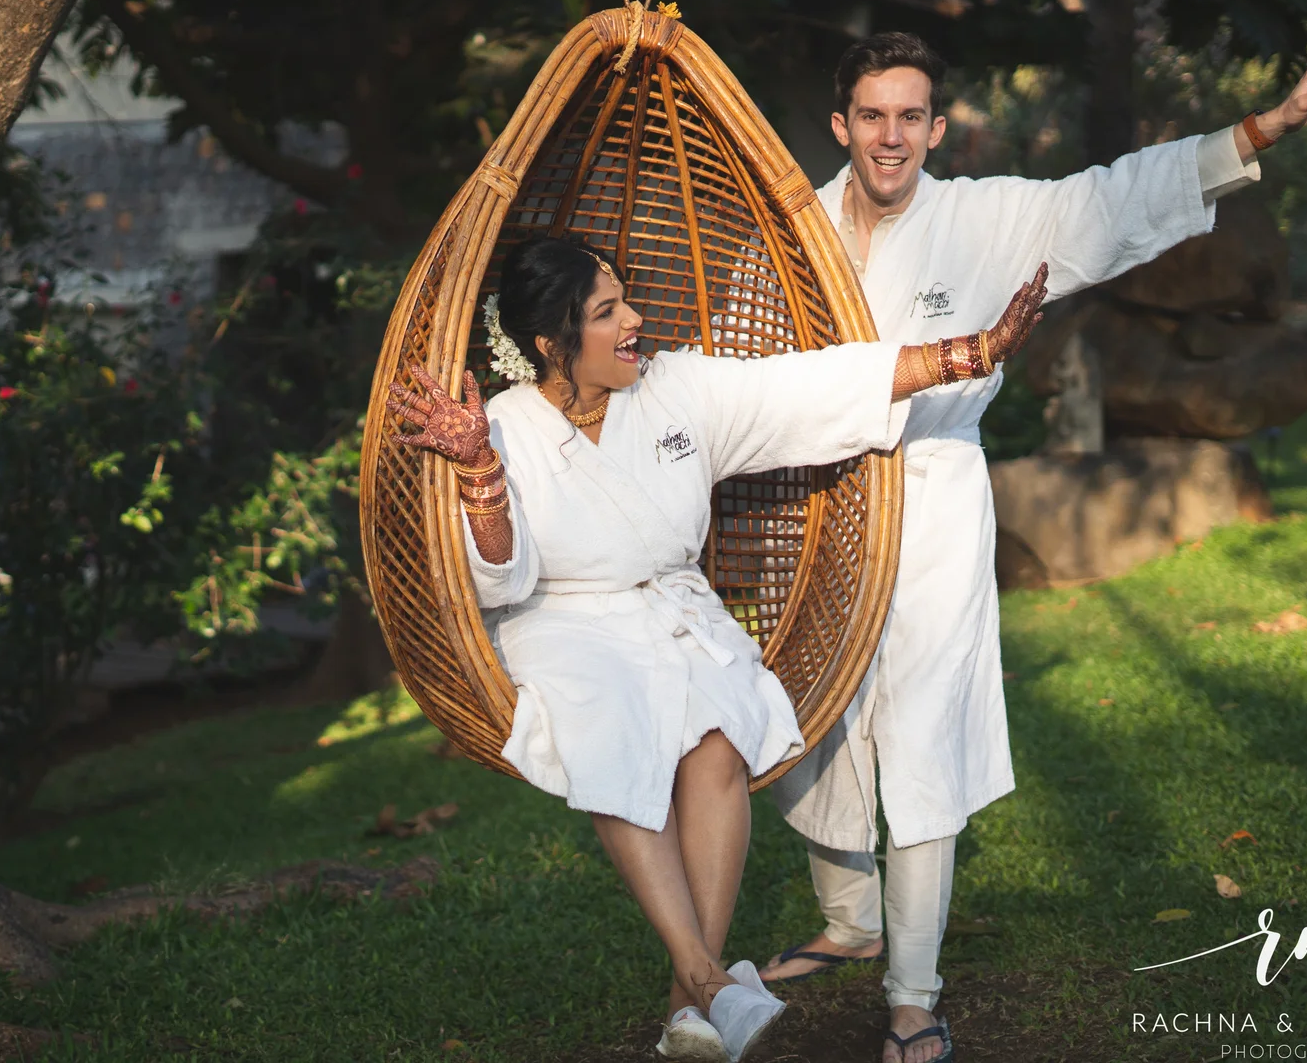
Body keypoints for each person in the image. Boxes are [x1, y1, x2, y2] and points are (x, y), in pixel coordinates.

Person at [760, 19, 1307, 1063]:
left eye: (911, 116)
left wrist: (1269, 123)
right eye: (873, 116)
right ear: (840, 123)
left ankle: (911, 989)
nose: (892, 135)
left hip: (935, 498)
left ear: (937, 126)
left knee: (921, 734)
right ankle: (849, 921)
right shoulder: (791, 231)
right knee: (810, 718)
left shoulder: (988, 217)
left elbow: (1119, 194)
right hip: (811, 502)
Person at [384, 234, 1048, 1063]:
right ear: (554, 345)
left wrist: (967, 353)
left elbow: (808, 387)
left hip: (676, 609)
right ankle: (704, 977)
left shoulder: (678, 388)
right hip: (563, 625)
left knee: (718, 741)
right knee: (611, 725)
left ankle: (691, 1002)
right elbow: (498, 582)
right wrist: (479, 468)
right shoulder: (502, 428)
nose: (634, 320)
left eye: (625, 299)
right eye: (606, 312)